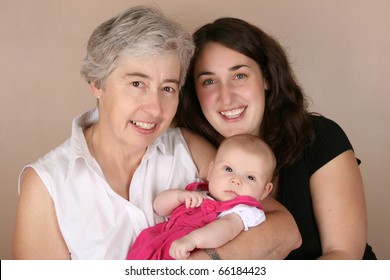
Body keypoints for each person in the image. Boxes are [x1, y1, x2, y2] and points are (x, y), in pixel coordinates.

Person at [12, 6, 300, 260]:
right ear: (97, 83)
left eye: (168, 88)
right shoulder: (46, 185)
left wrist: (202, 264)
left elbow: (285, 229)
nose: (155, 108)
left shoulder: (188, 147)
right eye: (137, 84)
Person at [175, 17, 377, 259]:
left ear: (267, 78)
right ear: (194, 93)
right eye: (209, 81)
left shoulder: (320, 137)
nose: (226, 97)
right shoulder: (185, 153)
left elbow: (344, 256)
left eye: (239, 76)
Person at [127, 134, 275, 259]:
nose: (236, 180)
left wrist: (193, 240)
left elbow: (226, 229)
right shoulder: (198, 192)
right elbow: (158, 208)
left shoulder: (243, 211)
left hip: (187, 252)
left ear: (265, 191)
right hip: (155, 244)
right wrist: (179, 196)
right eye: (228, 169)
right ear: (211, 171)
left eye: (250, 177)